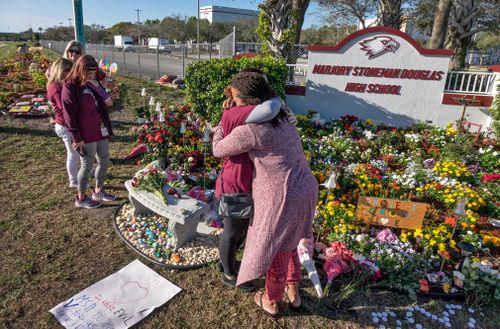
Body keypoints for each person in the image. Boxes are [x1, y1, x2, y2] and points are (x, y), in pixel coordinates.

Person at [213, 71, 318, 316]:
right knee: (293, 242)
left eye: (237, 99)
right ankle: (294, 294)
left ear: (249, 101)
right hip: (306, 186)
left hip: (283, 195)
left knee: (277, 249)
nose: (235, 102)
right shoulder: (282, 114)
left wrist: (220, 125)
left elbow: (218, 149)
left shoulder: (251, 129)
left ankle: (271, 300)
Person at [216, 71, 281, 291]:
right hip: (237, 181)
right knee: (234, 231)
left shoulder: (235, 112)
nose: (233, 99)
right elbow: (274, 105)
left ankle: (226, 263)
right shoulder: (248, 112)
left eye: (235, 95)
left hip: (240, 177)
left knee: (237, 230)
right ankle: (229, 273)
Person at [62, 54, 115, 209]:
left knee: (104, 160)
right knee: (87, 165)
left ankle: (98, 190)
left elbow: (106, 103)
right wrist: (76, 137)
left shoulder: (93, 83)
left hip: (100, 129)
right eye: (88, 73)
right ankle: (81, 197)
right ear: (79, 69)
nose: (92, 76)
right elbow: (69, 115)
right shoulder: (70, 85)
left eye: (93, 73)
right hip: (85, 134)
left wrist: (101, 87)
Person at [47, 58, 79, 188]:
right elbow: (65, 107)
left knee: (78, 151)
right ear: (61, 71)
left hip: (66, 123)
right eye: (69, 71)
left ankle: (85, 170)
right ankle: (73, 180)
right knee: (73, 154)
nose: (72, 73)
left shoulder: (59, 85)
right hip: (65, 125)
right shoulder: (56, 87)